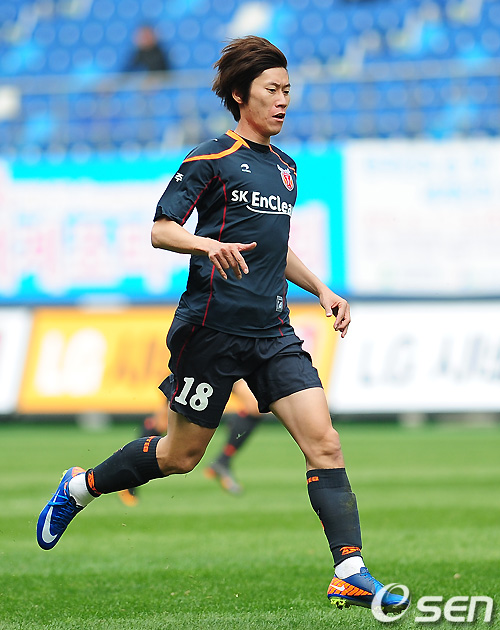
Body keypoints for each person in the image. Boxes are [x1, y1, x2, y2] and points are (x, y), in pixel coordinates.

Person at [37, 36, 408, 615]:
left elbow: (274, 246)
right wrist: (206, 244)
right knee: (181, 456)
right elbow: (161, 229)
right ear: (240, 95)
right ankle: (80, 487)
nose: (283, 101)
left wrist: (322, 288)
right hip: (210, 329)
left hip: (273, 331)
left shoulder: (285, 168)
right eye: (272, 90)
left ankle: (349, 572)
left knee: (325, 443)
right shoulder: (209, 158)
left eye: (288, 91)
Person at [117, 379, 262, 505]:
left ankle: (222, 462)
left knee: (255, 406)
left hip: (228, 361)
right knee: (162, 422)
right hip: (197, 365)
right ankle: (129, 475)